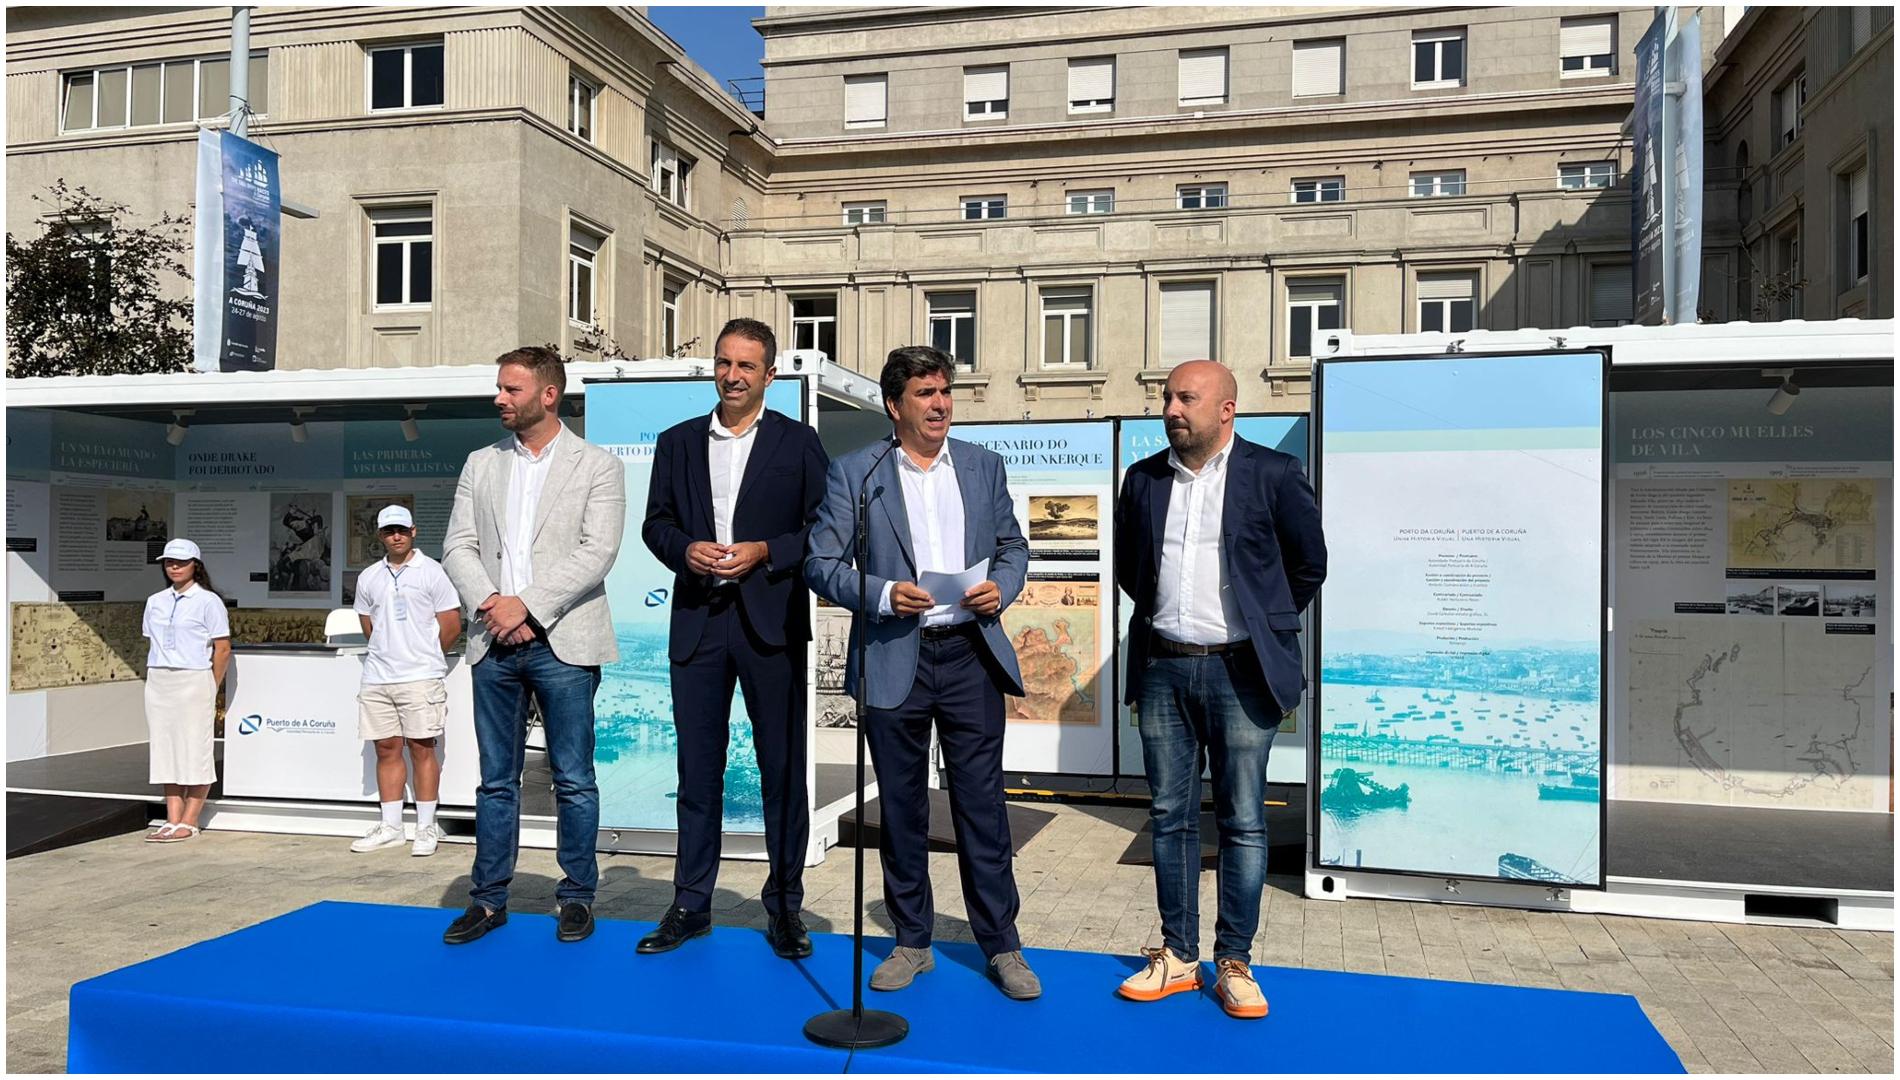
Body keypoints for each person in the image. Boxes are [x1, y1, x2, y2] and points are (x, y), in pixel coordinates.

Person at [804, 345, 1041, 1001]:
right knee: (903, 810)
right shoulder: (859, 472)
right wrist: (880, 593)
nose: (940, 405)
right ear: (894, 405)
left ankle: (1003, 946)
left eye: (944, 392)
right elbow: (820, 562)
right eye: (925, 394)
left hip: (969, 654)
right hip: (894, 654)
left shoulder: (982, 466)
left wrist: (1001, 585)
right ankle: (913, 942)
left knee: (982, 810)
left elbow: (1013, 547)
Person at [1112, 359, 1327, 1019]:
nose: (1172, 409)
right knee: (1171, 817)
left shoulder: (1273, 474)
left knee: (1243, 821)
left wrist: (1262, 624)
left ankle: (1235, 961)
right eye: (1168, 398)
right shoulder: (1143, 479)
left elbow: (1308, 563)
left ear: (1227, 409)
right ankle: (1178, 956)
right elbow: (1131, 569)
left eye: (1187, 398)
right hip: (1164, 668)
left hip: (1242, 672)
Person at [638, 318, 830, 959]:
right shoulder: (677, 443)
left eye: (747, 365)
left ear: (769, 375)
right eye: (724, 362)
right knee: (698, 774)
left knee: (781, 772)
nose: (733, 375)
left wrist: (766, 551)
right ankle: (691, 905)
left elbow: (825, 531)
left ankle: (784, 907)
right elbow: (655, 523)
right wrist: (684, 549)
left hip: (771, 625)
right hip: (697, 623)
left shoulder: (799, 444)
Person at [439, 345, 626, 946]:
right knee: (497, 781)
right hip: (493, 640)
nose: (499, 398)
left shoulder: (596, 464)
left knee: (573, 777)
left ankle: (575, 897)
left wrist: (530, 606)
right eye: (499, 387)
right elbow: (457, 546)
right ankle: (489, 899)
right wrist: (495, 606)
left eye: (511, 389)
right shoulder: (480, 463)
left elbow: (597, 552)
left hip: (563, 641)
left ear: (548, 394)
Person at [348, 504, 464, 857]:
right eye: (388, 531)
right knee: (385, 748)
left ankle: (426, 827)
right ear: (380, 535)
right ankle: (392, 826)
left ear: (413, 531)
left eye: (400, 529)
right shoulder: (369, 576)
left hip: (420, 676)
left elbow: (451, 624)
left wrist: (426, 656)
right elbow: (368, 625)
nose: (395, 536)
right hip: (379, 676)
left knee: (422, 748)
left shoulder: (433, 572)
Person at [140, 538, 230, 843]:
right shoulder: (155, 600)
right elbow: (152, 640)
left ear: (196, 565)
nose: (174, 567)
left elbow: (222, 648)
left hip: (194, 678)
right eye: (169, 562)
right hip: (160, 680)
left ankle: (190, 819)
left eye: (181, 562)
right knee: (165, 748)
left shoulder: (208, 601)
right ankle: (171, 817)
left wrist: (211, 684)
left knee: (195, 748)